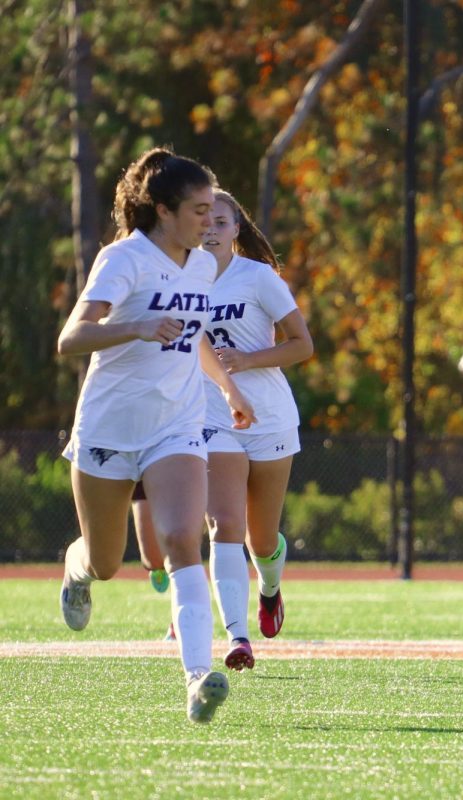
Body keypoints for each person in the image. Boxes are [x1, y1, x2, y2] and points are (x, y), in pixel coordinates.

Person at [57, 146, 257, 723]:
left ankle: (198, 678)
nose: (211, 220)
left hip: (175, 425)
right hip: (110, 426)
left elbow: (191, 335)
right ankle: (76, 570)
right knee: (106, 562)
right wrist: (138, 325)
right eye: (199, 210)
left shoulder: (201, 264)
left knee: (180, 540)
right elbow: (72, 338)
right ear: (164, 210)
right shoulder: (124, 260)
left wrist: (227, 388)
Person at [199, 188, 312, 672]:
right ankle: (238, 637)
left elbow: (301, 344)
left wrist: (248, 360)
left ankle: (270, 590)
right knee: (225, 527)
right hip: (210, 417)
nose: (210, 229)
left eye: (220, 222)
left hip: (269, 417)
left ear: (236, 229)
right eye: (201, 219)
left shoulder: (258, 277)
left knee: (261, 542)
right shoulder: (177, 279)